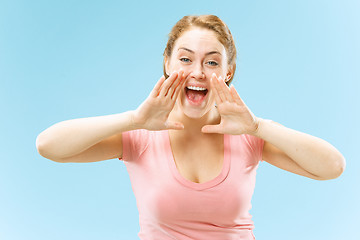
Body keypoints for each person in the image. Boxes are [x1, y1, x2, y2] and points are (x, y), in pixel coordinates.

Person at [36, 15, 345, 240]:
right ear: (168, 64)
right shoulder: (140, 136)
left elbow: (332, 166)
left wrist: (257, 125)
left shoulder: (249, 137)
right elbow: (48, 146)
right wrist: (133, 120)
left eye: (212, 62)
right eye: (185, 59)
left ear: (228, 72)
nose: (197, 72)